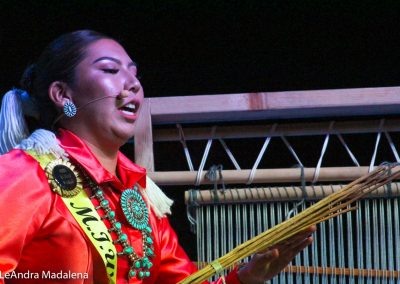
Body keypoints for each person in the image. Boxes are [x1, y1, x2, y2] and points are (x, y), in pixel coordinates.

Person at [0, 30, 315, 284]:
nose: (133, 83)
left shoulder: (137, 197)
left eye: (135, 74)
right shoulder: (27, 174)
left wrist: (244, 279)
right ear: (62, 94)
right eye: (110, 70)